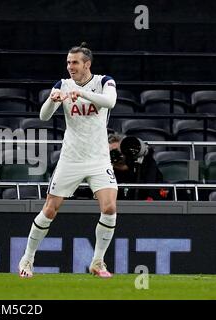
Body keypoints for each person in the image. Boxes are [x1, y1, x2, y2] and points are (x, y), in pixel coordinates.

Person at [19, 43, 118, 278]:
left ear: (87, 64)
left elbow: (110, 102)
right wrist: (53, 100)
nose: (70, 67)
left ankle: (97, 262)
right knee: (50, 209)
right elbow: (43, 117)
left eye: (74, 62)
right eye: (68, 62)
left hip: (98, 158)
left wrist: (81, 93)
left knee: (110, 207)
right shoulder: (62, 85)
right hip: (71, 158)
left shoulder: (105, 82)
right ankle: (27, 259)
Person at [109, 133, 165, 200]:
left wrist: (147, 157)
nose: (114, 154)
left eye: (117, 151)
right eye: (111, 152)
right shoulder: (106, 170)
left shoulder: (141, 166)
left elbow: (151, 190)